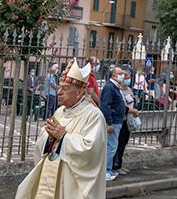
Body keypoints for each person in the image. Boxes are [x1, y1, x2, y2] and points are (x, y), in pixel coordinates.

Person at [16, 60, 107, 199]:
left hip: (70, 183)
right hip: (50, 173)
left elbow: (92, 150)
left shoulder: (93, 115)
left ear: (79, 92)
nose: (58, 92)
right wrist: (48, 136)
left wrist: (63, 137)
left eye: (65, 89)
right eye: (59, 87)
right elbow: (44, 142)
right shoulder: (59, 111)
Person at [100, 66, 126, 182]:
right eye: (120, 73)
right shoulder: (109, 87)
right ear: (113, 75)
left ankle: (108, 169)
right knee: (111, 147)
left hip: (117, 121)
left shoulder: (115, 87)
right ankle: (105, 171)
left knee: (111, 146)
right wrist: (109, 122)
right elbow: (105, 106)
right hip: (113, 121)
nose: (123, 75)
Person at [112, 73, 139, 175]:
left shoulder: (129, 90)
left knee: (123, 143)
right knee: (118, 144)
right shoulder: (119, 91)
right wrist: (132, 111)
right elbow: (121, 107)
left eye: (129, 78)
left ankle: (120, 165)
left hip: (129, 120)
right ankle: (116, 165)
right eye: (126, 78)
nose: (127, 80)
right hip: (121, 119)